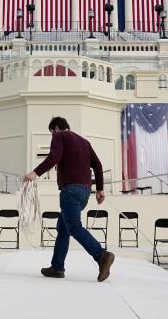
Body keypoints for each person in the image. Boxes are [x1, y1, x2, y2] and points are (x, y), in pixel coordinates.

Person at [24, 116, 114, 281]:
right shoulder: (85, 142)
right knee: (64, 228)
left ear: (56, 128)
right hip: (85, 192)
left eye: (51, 133)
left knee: (73, 227)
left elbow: (54, 157)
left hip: (70, 190)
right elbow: (98, 165)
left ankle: (101, 256)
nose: (52, 136)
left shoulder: (59, 136)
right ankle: (57, 267)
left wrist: (35, 173)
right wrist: (100, 189)